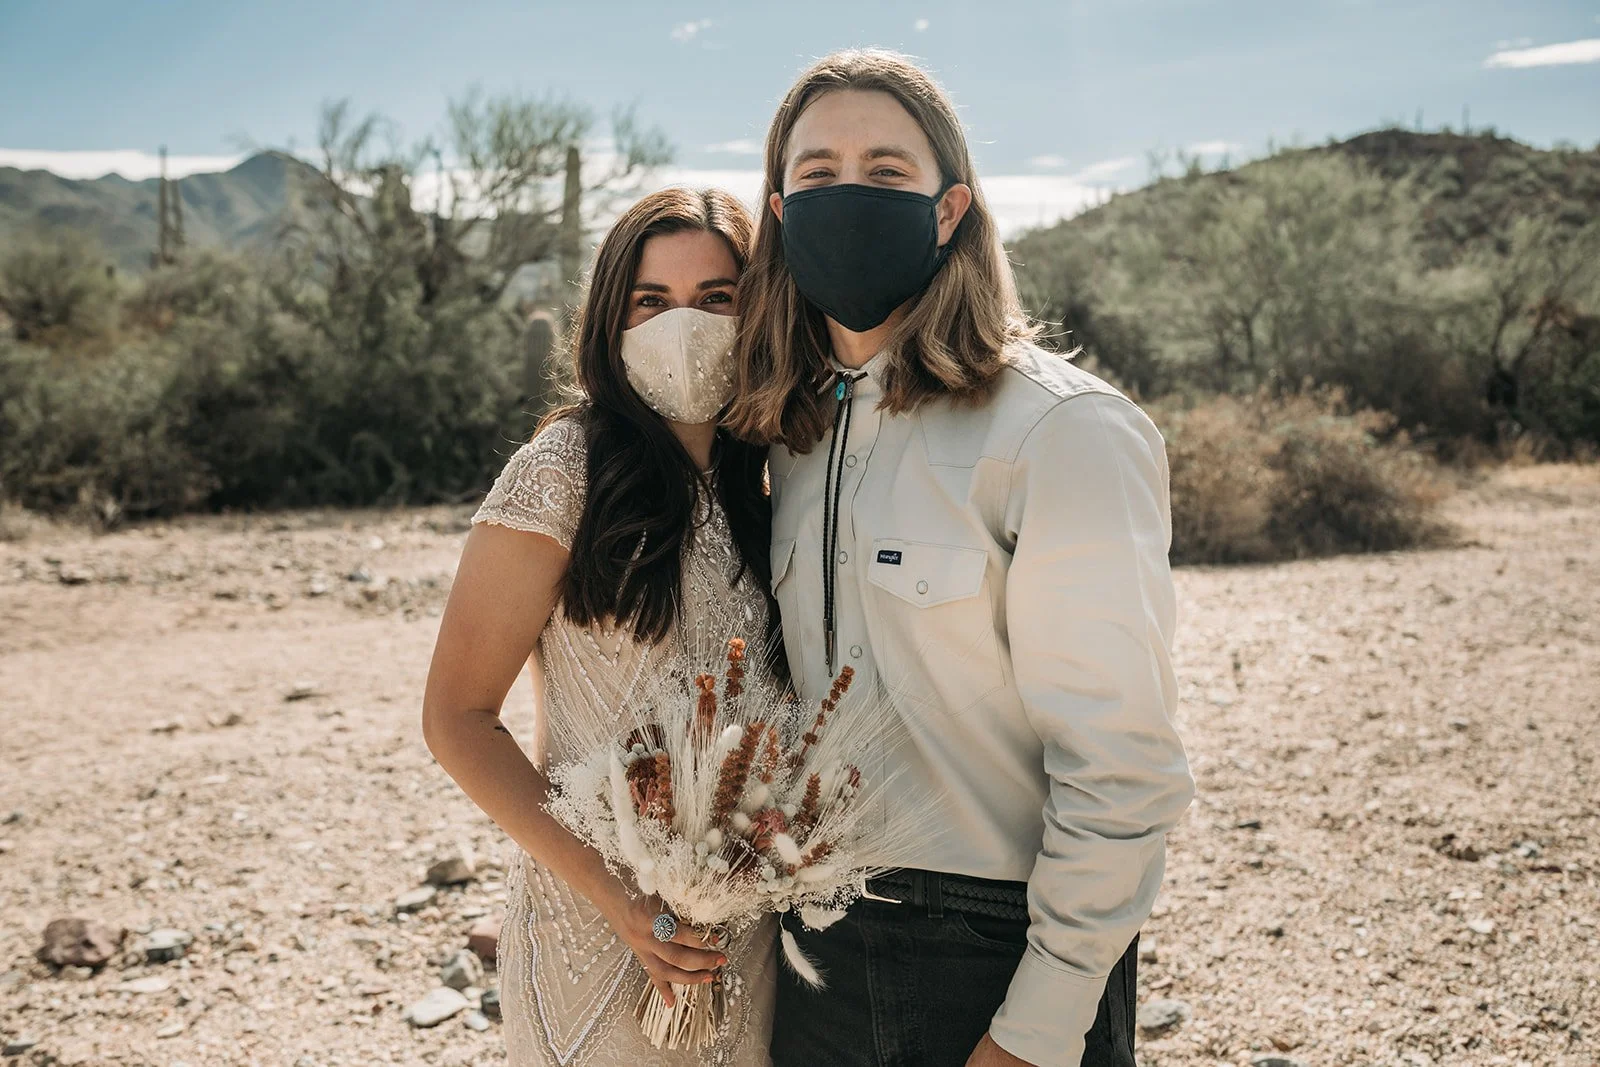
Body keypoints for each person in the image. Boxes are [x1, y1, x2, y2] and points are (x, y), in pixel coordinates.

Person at [725, 50, 1196, 1067]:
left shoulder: (1061, 430)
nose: (849, 193)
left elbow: (1123, 766)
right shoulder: (789, 435)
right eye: (817, 174)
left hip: (987, 947)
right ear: (778, 211)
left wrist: (1036, 1027)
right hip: (815, 939)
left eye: (887, 172)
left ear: (948, 212)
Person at [423, 187, 779, 1066]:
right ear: (611, 320)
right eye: (650, 301)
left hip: (747, 935)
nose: (682, 325)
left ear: (757, 311)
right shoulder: (562, 471)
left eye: (716, 299)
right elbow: (457, 717)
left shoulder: (777, 484)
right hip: (592, 927)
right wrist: (621, 897)